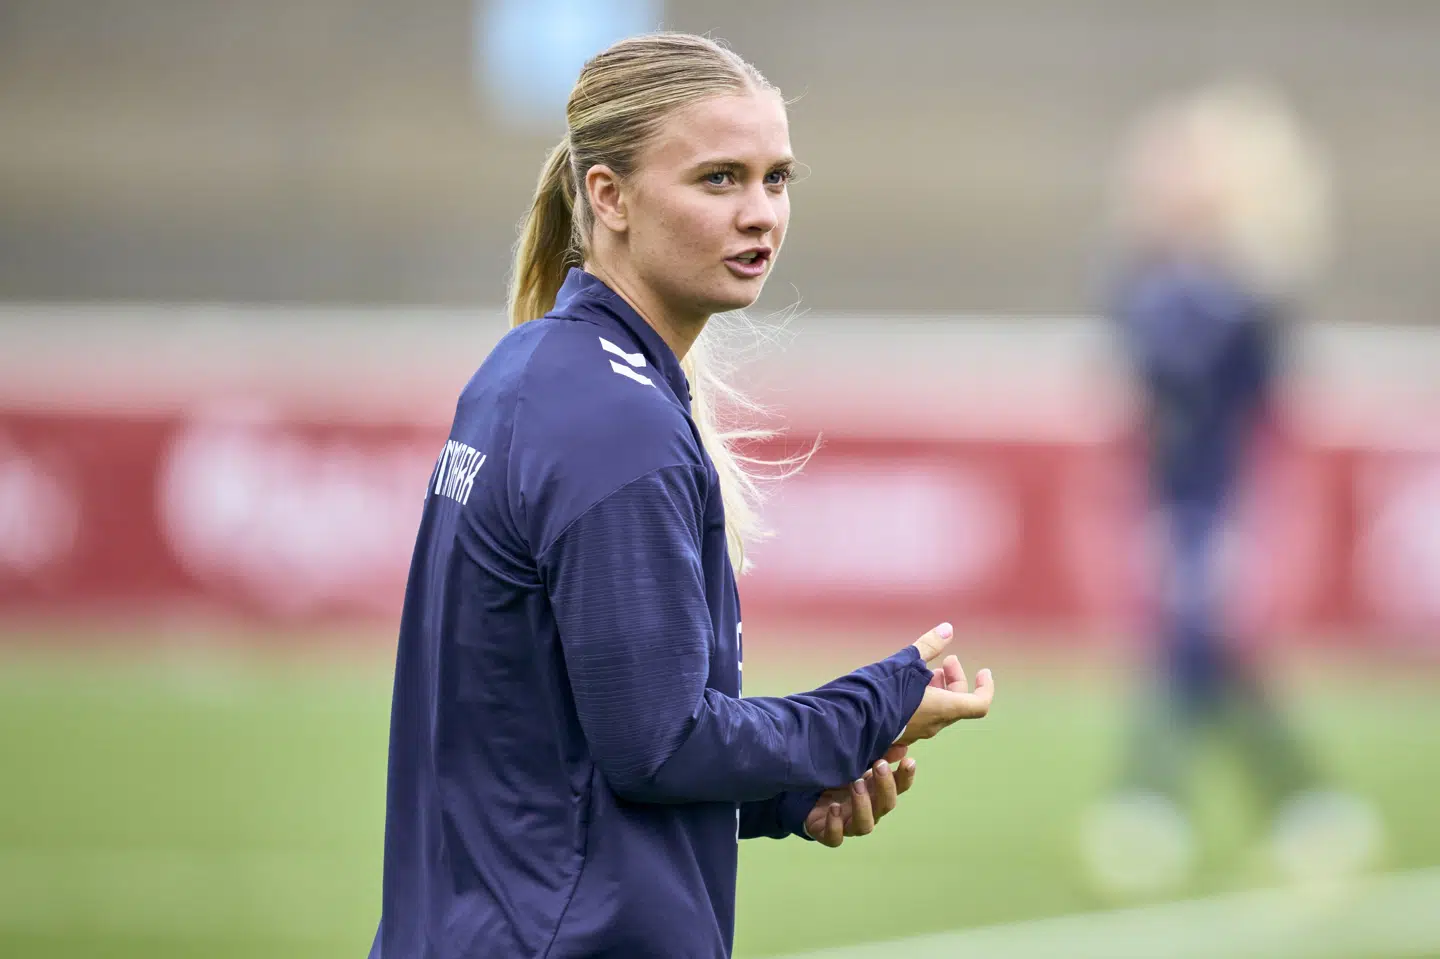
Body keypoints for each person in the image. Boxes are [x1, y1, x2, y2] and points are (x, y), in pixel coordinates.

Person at [368, 32, 995, 959]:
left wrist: (795, 790)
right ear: (608, 197)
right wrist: (871, 706)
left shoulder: (531, 368)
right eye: (718, 180)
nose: (760, 215)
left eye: (776, 179)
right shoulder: (615, 422)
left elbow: (574, 750)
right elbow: (658, 746)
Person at [1082, 81, 1380, 896]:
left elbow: (1263, 420)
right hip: (1167, 498)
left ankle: (1152, 803)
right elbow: (1139, 405)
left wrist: (1239, 522)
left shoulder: (1250, 296)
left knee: (1199, 652)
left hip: (1231, 502)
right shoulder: (1142, 282)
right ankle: (1306, 808)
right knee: (1207, 657)